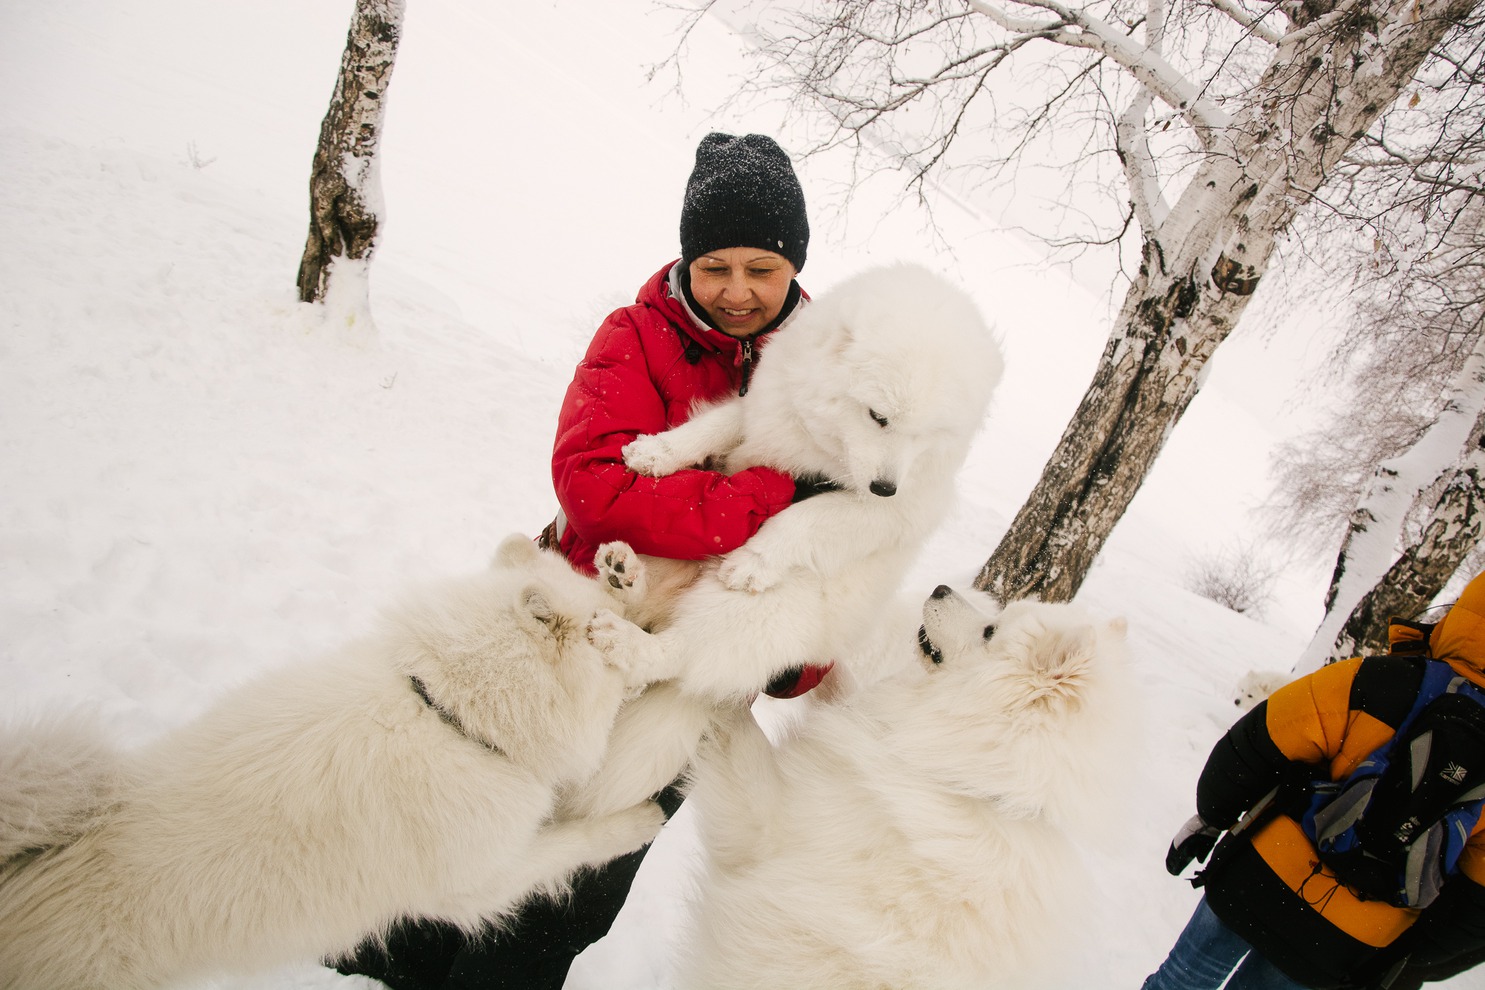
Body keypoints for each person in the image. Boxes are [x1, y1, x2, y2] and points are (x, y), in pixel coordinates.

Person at [334, 132, 832, 989]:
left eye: (763, 268)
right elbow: (598, 492)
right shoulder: (633, 336)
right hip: (563, 650)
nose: (737, 290)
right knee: (461, 847)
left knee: (558, 910)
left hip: (677, 699)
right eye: (714, 266)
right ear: (685, 260)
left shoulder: (834, 383)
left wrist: (792, 646)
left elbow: (836, 562)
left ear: (795, 267)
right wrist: (767, 497)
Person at [1143, 571, 1485, 990]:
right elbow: (1476, 910)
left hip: (1263, 875)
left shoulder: (1387, 679)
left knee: (1181, 981)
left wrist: (1213, 815)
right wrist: (1405, 958)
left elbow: (1263, 738)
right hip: (1346, 939)